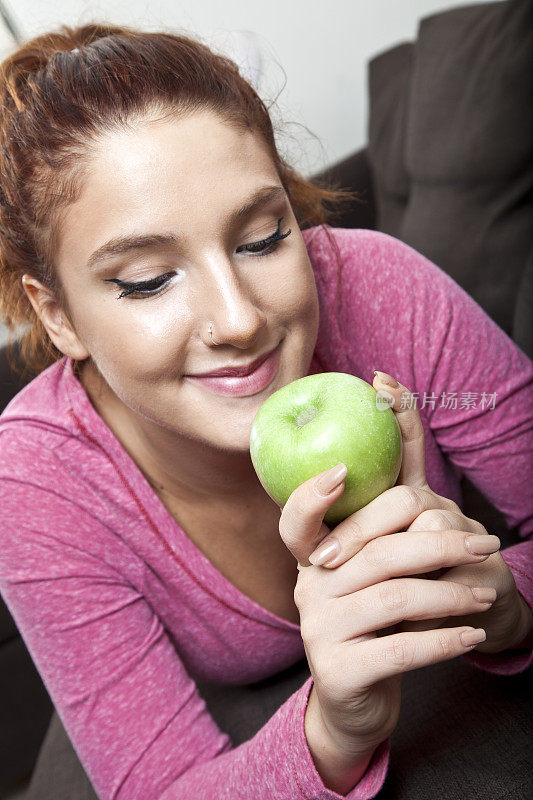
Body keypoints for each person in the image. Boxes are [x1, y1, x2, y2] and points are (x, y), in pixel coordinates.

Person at [0, 22, 531, 800]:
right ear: (60, 318)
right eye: (147, 280)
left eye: (260, 238)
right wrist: (331, 734)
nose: (240, 319)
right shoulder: (34, 486)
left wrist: (505, 603)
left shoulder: (378, 287)